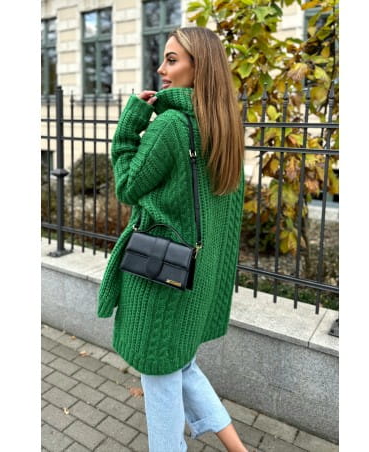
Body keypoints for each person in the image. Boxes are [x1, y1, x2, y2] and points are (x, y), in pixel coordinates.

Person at [97, 27, 247, 452]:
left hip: (162, 281)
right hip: (197, 279)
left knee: (161, 382)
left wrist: (130, 125)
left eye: (172, 59)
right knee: (183, 367)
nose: (161, 69)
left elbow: (128, 186)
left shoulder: (171, 126)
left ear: (200, 67)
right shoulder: (224, 127)